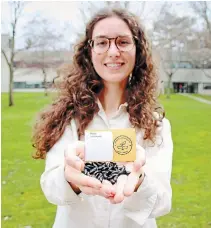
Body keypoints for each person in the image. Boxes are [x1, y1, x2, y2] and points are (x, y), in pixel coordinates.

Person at [32, 7, 173, 228]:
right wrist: (70, 178)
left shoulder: (157, 125)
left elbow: (163, 201)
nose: (113, 51)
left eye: (123, 42)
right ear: (89, 51)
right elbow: (51, 188)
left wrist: (139, 182)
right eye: (102, 42)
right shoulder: (68, 117)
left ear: (138, 50)